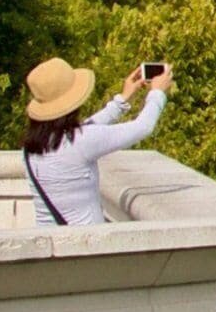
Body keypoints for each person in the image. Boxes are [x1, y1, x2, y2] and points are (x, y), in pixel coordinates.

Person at [21, 56, 166, 228]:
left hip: (49, 244)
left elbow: (85, 129)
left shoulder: (32, 147)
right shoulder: (81, 141)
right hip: (84, 247)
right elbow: (143, 127)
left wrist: (123, 99)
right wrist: (158, 92)